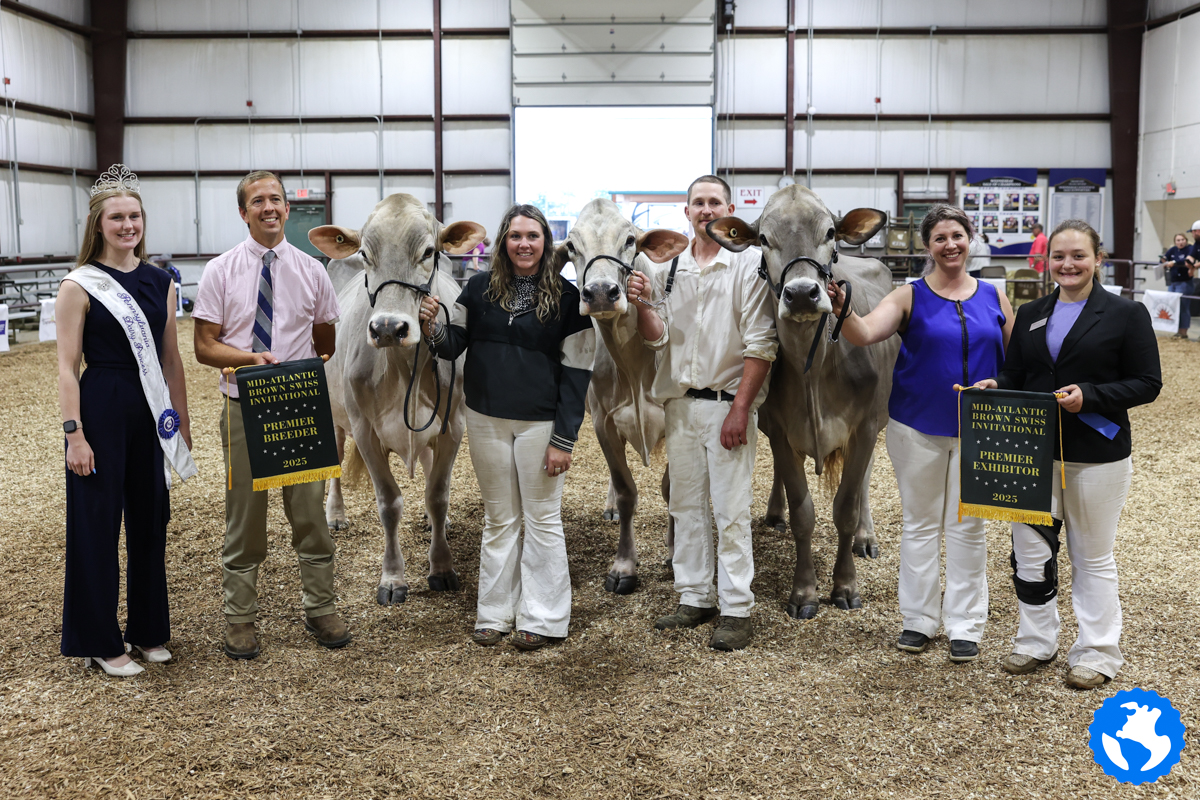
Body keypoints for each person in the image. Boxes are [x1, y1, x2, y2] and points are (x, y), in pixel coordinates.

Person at [973, 220, 1162, 689]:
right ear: (1047, 260)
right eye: (1059, 256)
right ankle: (1036, 640)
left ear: (1098, 258)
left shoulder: (1126, 313)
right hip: (1031, 453)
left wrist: (1092, 396)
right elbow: (1016, 371)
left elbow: (1148, 383)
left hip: (1096, 453)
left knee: (1091, 555)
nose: (1068, 265)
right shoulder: (1033, 311)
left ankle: (1098, 651)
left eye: (1078, 255)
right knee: (1029, 552)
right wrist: (998, 386)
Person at [827, 204, 1015, 663]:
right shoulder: (908, 296)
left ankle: (965, 625)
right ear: (927, 247)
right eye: (939, 238)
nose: (950, 245)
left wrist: (1003, 384)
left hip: (981, 428)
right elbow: (866, 333)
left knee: (969, 527)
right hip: (916, 427)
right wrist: (843, 310)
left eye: (957, 235)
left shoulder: (995, 295)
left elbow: (1018, 360)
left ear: (970, 238)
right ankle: (918, 620)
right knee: (921, 524)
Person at [418, 204, 594, 651]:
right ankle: (494, 613)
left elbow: (577, 373)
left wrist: (563, 438)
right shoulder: (475, 289)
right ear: (502, 242)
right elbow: (453, 345)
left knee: (542, 520)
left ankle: (544, 617)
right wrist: (432, 327)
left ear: (545, 243)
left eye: (532, 236)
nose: (524, 244)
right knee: (499, 518)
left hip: (541, 424)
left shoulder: (570, 299)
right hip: (484, 419)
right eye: (515, 236)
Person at [193, 170, 346, 659]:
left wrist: (295, 365)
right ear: (244, 212)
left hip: (300, 403)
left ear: (286, 208)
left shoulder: (313, 270)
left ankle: (320, 607)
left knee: (310, 514)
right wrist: (245, 359)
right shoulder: (220, 270)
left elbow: (326, 341)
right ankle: (239, 618)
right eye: (258, 201)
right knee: (245, 516)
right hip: (244, 405)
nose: (269, 208)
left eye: (275, 199)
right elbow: (203, 346)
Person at [625, 175, 778, 652]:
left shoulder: (749, 263)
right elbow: (657, 338)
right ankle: (695, 596)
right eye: (698, 203)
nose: (706, 210)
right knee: (684, 506)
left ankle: (737, 608)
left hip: (726, 405)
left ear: (730, 209)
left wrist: (741, 410)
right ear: (686, 212)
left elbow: (761, 344)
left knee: (731, 511)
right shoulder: (668, 269)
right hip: (680, 404)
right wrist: (642, 303)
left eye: (715, 202)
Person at [56, 164, 196, 677]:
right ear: (99, 223)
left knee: (149, 520)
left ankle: (148, 629)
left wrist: (179, 422)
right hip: (102, 403)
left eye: (134, 215)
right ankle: (98, 639)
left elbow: (172, 360)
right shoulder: (80, 285)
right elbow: (67, 368)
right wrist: (74, 434)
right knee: (95, 525)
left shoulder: (161, 281)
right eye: (117, 217)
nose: (127, 225)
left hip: (148, 409)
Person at [1160, 233, 1193, 339]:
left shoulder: (1190, 249)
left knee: (1183, 307)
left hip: (1184, 282)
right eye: (1178, 240)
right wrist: (1163, 261)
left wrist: (1174, 262)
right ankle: (1175, 330)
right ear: (1175, 242)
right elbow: (1164, 259)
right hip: (1173, 282)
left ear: (1186, 240)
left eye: (1182, 239)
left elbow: (1187, 261)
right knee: (1172, 306)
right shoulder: (1173, 250)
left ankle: (1183, 332)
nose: (1180, 242)